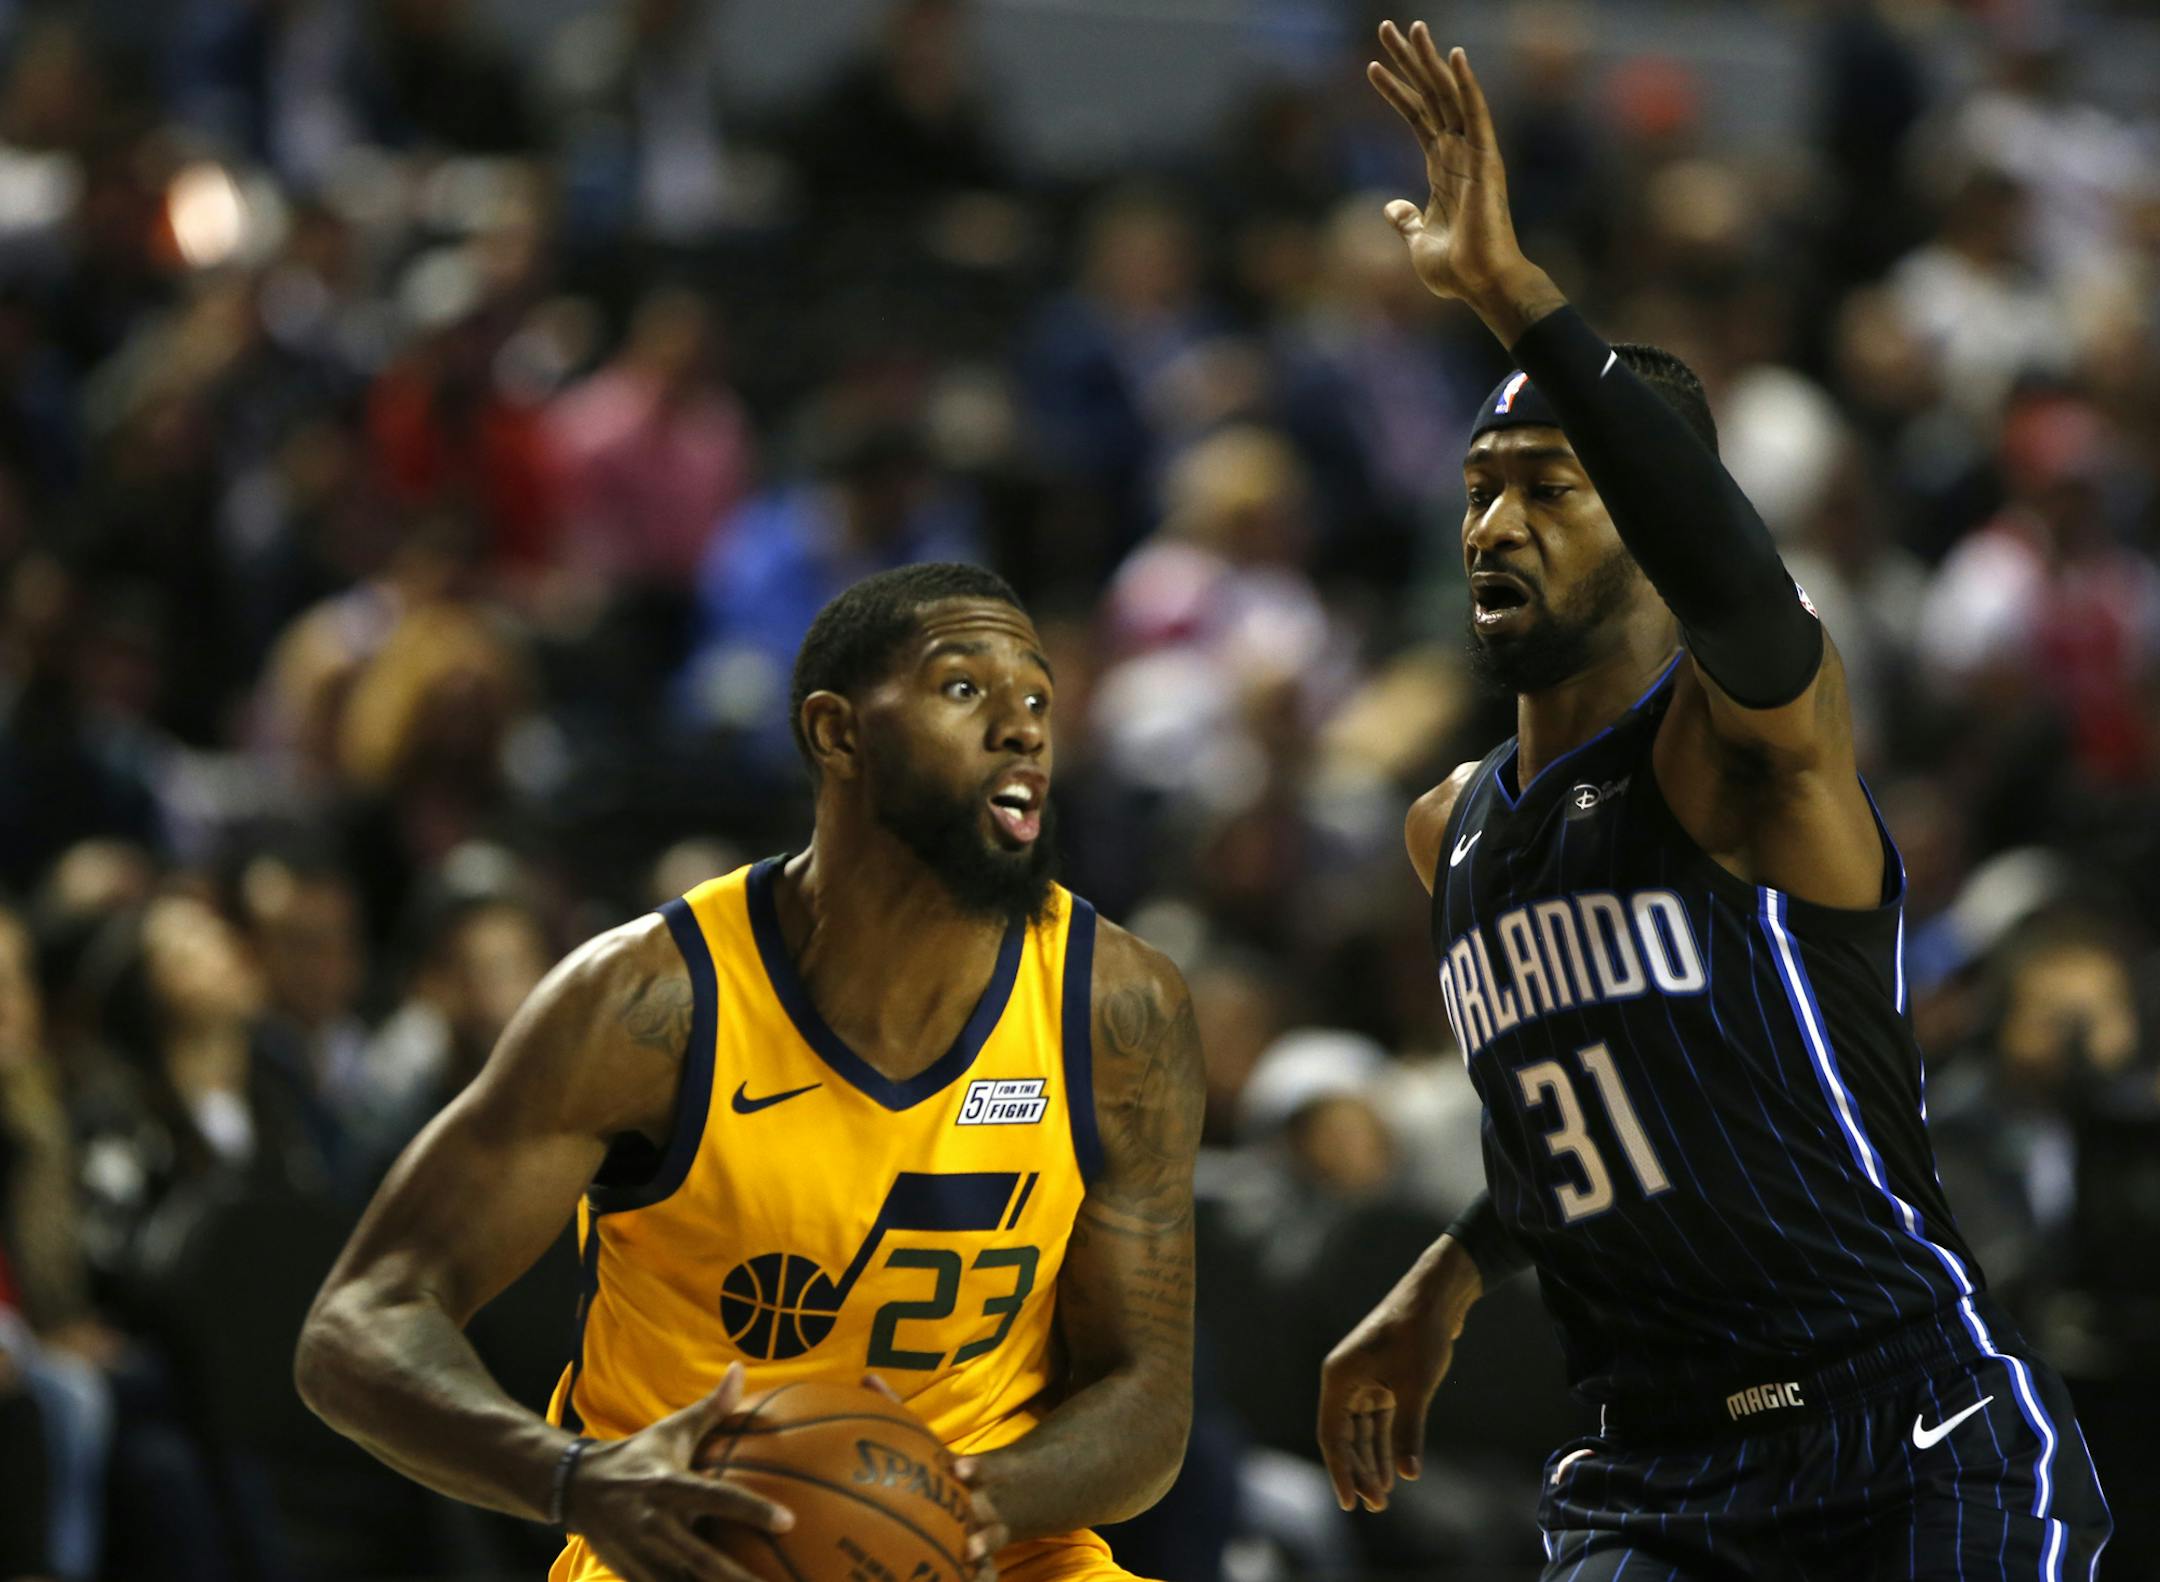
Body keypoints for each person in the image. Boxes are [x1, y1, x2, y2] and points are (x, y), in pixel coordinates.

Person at [1315, 23, 2110, 1581]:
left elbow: (1746, 596)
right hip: (1652, 1467)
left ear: (1656, 516)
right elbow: (1587, 1117)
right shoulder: (1447, 829)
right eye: (1481, 487)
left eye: (1551, 486)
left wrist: (1518, 301)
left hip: (1906, 1424)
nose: (1497, 519)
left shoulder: (1745, 748)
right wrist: (1448, 1277)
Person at [297, 562, 1201, 1582]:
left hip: (990, 1547)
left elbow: (1147, 1398)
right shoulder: (652, 1005)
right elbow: (360, 1323)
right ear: (837, 731)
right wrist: (577, 1477)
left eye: (1037, 697)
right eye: (964, 689)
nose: (1022, 727)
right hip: (689, 1550)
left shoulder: (1117, 1008)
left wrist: (926, 1501)